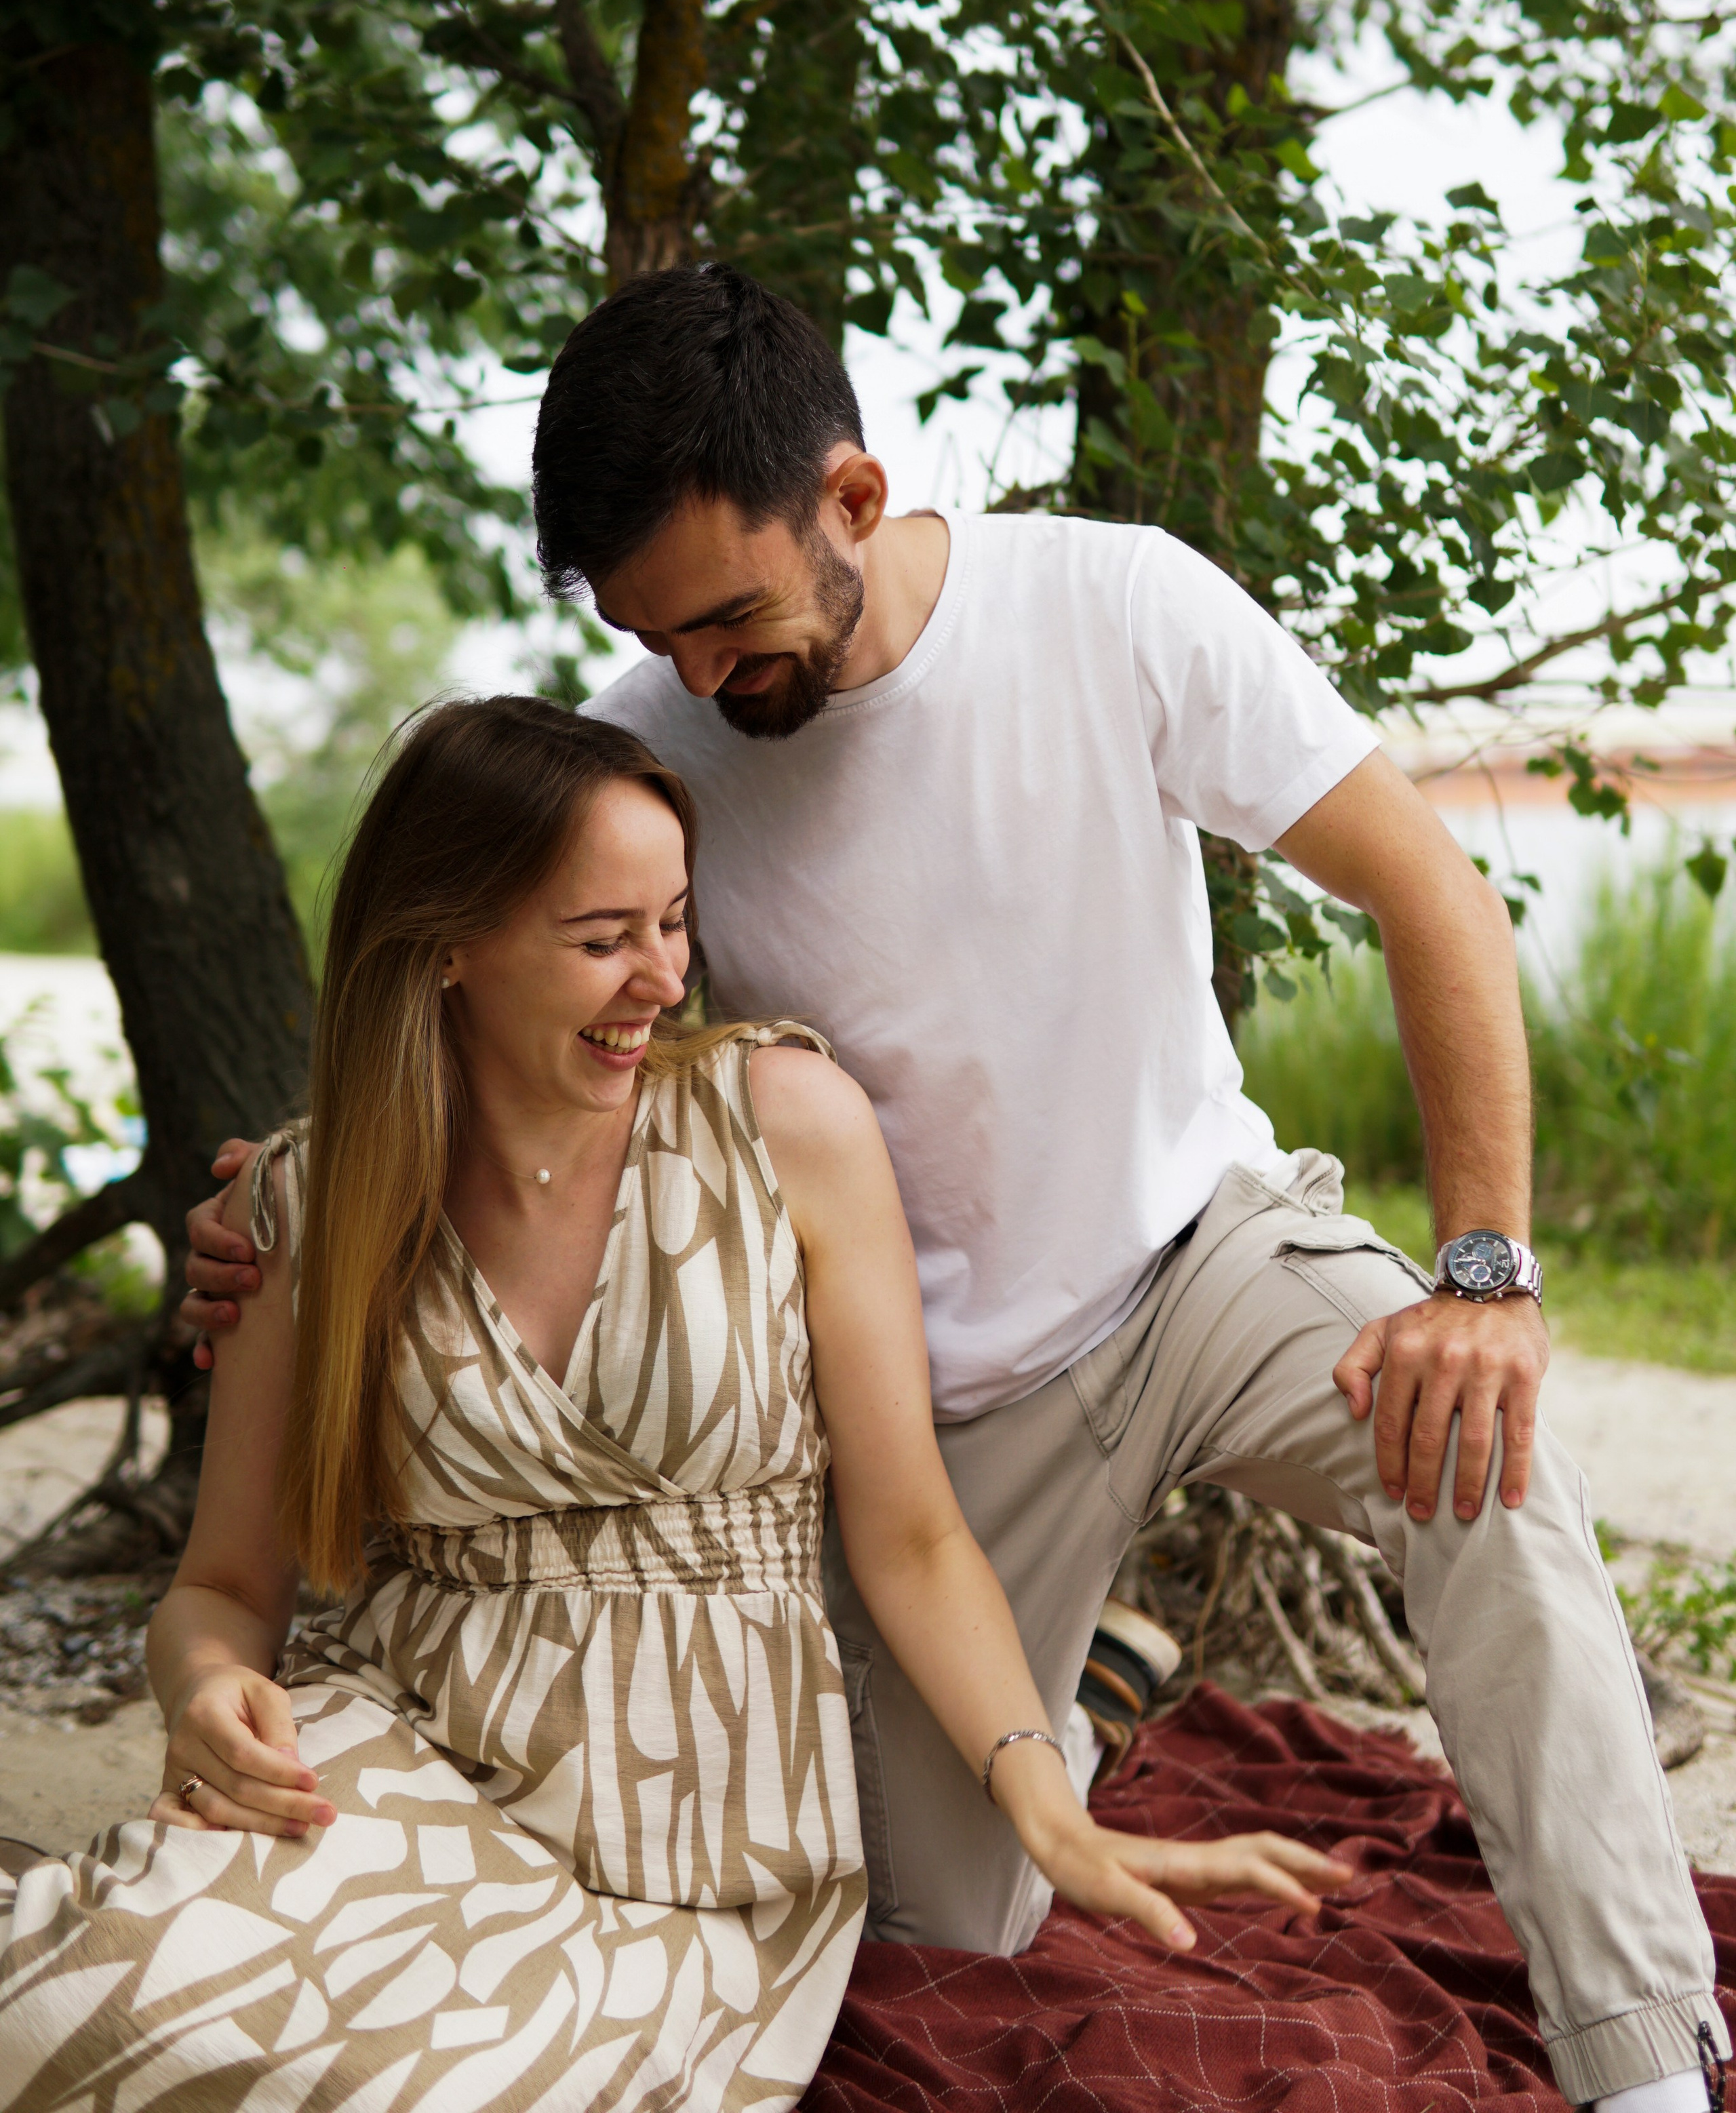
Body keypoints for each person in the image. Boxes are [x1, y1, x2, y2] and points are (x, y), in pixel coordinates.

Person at [184, 269, 1729, 2113]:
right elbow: (516, 1012)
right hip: (935, 1410)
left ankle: (1642, 2059)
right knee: (930, 1955)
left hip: (1199, 1255)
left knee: (1488, 1462)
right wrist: (296, 1204)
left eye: (729, 618)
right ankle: (1090, 1694)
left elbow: (1431, 894)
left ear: (851, 497)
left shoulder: (1115, 605)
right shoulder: (650, 741)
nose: (698, 676)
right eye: (653, 633)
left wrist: (1481, 1274)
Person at [0, 699, 1343, 2112]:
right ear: (446, 944)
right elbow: (222, 1589)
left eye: (676, 922)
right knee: (62, 2011)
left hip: (701, 1832)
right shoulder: (307, 1200)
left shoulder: (783, 1125)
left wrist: (1046, 1807)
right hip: (406, 1743)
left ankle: (1091, 1703)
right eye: (601, 939)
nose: (661, 977)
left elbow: (912, 1537)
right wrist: (208, 1687)